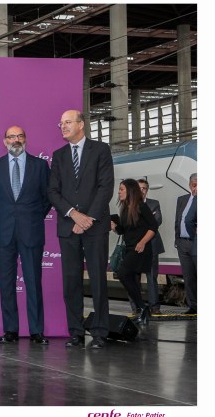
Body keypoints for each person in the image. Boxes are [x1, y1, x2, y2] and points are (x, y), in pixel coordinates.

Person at [47, 110, 114, 349]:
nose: (62, 126)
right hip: (68, 227)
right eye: (61, 123)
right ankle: (75, 331)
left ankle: (100, 332)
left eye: (67, 122)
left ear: (81, 124)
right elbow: (53, 192)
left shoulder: (101, 150)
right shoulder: (59, 156)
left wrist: (88, 218)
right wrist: (74, 215)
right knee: (71, 281)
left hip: (94, 227)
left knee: (97, 280)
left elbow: (106, 187)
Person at [0, 126, 51, 345]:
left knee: (33, 282)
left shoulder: (40, 165)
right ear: (4, 141)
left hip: (31, 231)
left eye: (20, 136)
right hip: (4, 233)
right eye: (11, 137)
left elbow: (47, 198)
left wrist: (30, 217)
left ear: (25, 140)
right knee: (6, 284)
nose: (16, 140)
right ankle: (10, 330)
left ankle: (36, 330)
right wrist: (6, 218)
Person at [111, 179, 159, 324]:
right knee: (128, 277)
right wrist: (114, 226)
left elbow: (153, 227)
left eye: (121, 189)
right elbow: (124, 230)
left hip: (141, 249)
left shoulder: (141, 206)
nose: (119, 192)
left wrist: (143, 242)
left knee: (122, 273)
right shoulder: (125, 208)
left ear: (130, 190)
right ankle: (142, 309)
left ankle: (143, 308)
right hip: (130, 248)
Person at [128, 179, 165, 315]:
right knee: (134, 278)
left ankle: (154, 307)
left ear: (147, 190)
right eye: (139, 188)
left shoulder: (154, 203)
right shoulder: (128, 205)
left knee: (151, 277)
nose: (141, 190)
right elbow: (129, 224)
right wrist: (148, 218)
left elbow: (157, 221)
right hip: (134, 247)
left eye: (144, 188)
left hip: (152, 246)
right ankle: (136, 308)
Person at [174, 173, 197, 314]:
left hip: (196, 242)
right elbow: (178, 220)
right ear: (189, 185)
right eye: (194, 183)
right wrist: (177, 239)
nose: (196, 186)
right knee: (188, 277)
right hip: (182, 243)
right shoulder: (182, 199)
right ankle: (193, 306)